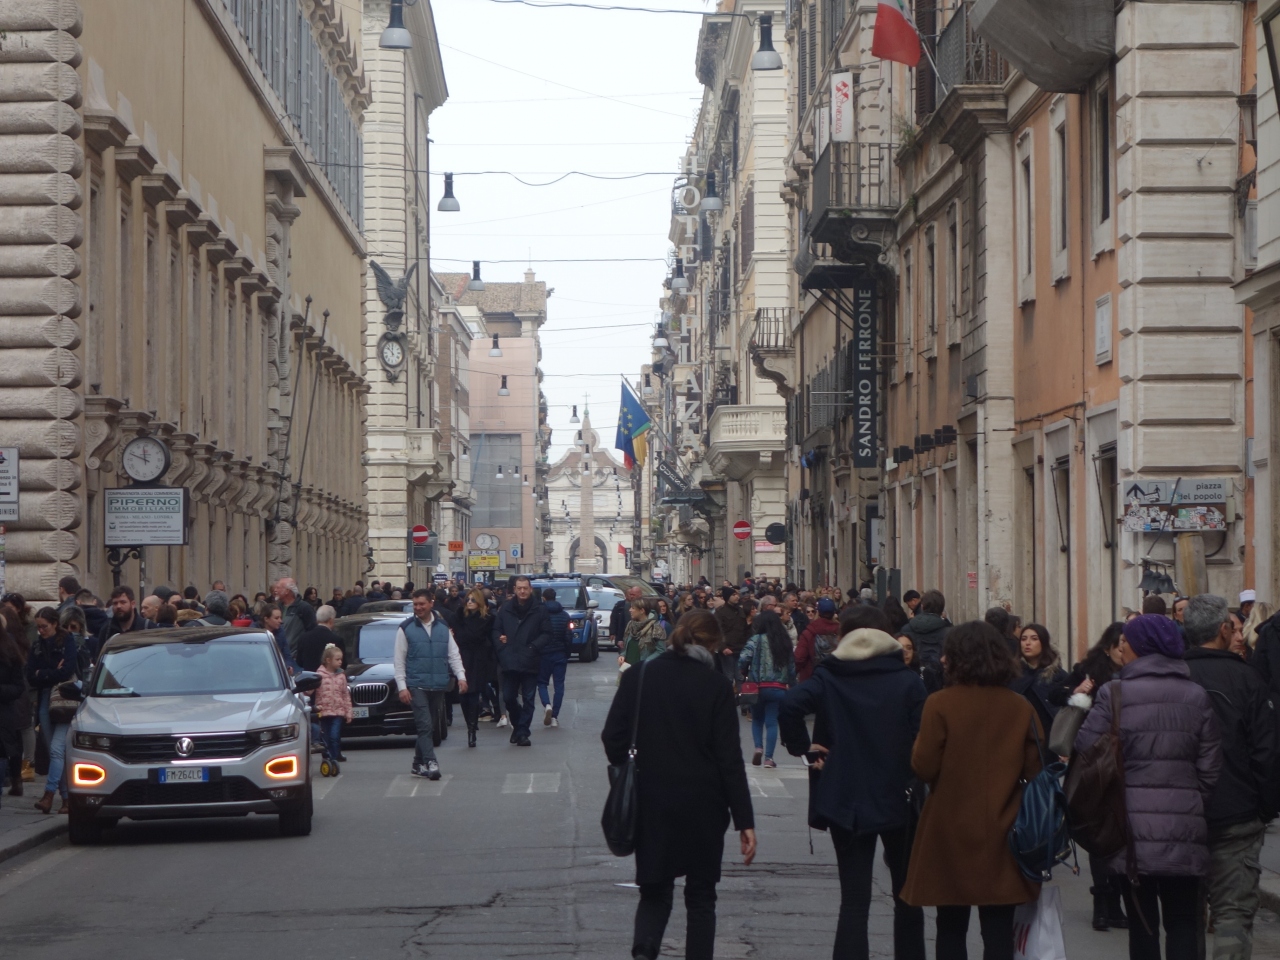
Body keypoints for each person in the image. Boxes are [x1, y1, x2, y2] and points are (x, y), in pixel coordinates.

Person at [602, 609, 755, 960]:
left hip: (652, 799)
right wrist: (744, 820)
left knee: (654, 891)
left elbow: (612, 736)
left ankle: (644, 951)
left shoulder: (640, 676)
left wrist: (632, 766)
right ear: (712, 645)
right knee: (701, 897)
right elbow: (729, 760)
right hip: (704, 803)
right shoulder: (716, 685)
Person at [1075, 614, 1222, 960]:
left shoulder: (1114, 693)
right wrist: (1190, 802)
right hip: (1184, 826)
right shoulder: (1196, 695)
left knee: (1142, 925)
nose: (1121, 648)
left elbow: (1084, 747)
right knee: (1183, 921)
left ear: (1141, 646)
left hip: (1130, 828)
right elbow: (1211, 765)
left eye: (1126, 642)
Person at [779, 617, 927, 960]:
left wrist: (804, 747)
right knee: (907, 896)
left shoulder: (830, 677)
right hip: (899, 795)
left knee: (855, 900)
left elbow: (790, 705)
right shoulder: (908, 681)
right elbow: (923, 737)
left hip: (847, 795)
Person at [900, 621, 1043, 960]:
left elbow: (924, 766)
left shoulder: (940, 704)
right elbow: (1035, 769)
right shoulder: (1020, 707)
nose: (943, 659)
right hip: (1005, 828)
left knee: (950, 926)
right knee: (998, 930)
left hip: (949, 828)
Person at [1182, 595, 1279, 960]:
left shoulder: (1172, 676)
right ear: (1223, 629)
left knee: (1183, 917)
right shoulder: (1246, 679)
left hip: (1180, 814)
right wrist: (1265, 807)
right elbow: (1266, 751)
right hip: (1236, 812)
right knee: (1233, 914)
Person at [394, 589, 467, 779]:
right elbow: (399, 660)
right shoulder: (405, 628)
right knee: (425, 725)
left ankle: (417, 764)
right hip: (416, 685)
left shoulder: (443, 627)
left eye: (422, 604)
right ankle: (431, 762)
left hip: (438, 685)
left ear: (431, 604)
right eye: (415, 604)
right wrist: (402, 687)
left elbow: (453, 654)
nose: (418, 608)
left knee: (429, 726)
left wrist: (461, 676)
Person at [26, 608, 79, 815]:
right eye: (38, 627)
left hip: (64, 700)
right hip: (45, 700)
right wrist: (52, 672)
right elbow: (31, 675)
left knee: (57, 750)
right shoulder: (37, 646)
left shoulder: (67, 641)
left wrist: (44, 673)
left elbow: (67, 671)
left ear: (55, 624)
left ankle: (49, 795)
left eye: (44, 627)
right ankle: (66, 799)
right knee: (54, 753)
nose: (41, 631)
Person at [491, 576, 551, 747]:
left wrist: (533, 647)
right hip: (509, 660)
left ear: (530, 589)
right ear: (514, 590)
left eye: (525, 588)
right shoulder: (506, 609)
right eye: (519, 588)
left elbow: (547, 633)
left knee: (529, 698)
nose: (522, 591)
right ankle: (518, 727)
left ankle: (523, 732)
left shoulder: (539, 609)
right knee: (508, 697)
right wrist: (501, 645)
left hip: (530, 660)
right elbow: (496, 630)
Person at [737, 610, 795, 769]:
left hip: (757, 687)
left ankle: (758, 748)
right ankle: (769, 758)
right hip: (778, 688)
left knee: (757, 719)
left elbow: (743, 658)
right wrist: (792, 684)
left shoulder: (755, 640)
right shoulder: (784, 642)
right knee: (772, 722)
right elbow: (791, 667)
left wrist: (743, 670)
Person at [454, 588, 497, 747]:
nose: (469, 602)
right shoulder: (459, 616)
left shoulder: (487, 619)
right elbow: (459, 637)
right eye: (468, 599)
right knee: (463, 696)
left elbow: (485, 639)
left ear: (479, 602)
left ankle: (471, 730)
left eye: (473, 599)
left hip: (479, 660)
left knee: (473, 694)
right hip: (462, 658)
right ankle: (470, 724)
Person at [1008, 622, 1067, 737]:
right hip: (1020, 735)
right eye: (1023, 639)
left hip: (1050, 736)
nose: (1027, 643)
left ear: (1043, 643)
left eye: (1034, 639)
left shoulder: (1058, 675)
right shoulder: (1012, 674)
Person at [538, 587, 569, 729]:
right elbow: (568, 636)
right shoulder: (564, 615)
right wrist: (567, 652)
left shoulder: (539, 614)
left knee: (542, 683)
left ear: (543, 598)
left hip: (543, 654)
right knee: (559, 685)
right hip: (560, 654)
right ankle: (555, 716)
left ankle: (547, 705)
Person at [900, 590, 949, 675]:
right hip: (939, 677)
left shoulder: (906, 629)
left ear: (922, 607)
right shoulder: (949, 633)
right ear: (942, 610)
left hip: (911, 675)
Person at [795, 597, 840, 682]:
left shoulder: (809, 632)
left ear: (818, 612)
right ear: (834, 613)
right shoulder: (842, 631)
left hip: (813, 679)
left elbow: (799, 658)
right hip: (837, 679)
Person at [96, 586, 154, 651]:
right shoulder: (106, 631)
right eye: (115, 603)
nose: (118, 606)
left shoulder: (148, 627)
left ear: (133, 604)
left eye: (123, 602)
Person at [274, 577, 316, 662]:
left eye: (278, 588)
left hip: (295, 658)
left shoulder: (304, 608)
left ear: (287, 591)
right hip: (277, 656)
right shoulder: (277, 607)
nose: (275, 590)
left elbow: (312, 632)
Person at [620, 598, 666, 666]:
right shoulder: (631, 625)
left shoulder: (656, 628)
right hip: (628, 668)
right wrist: (622, 655)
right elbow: (627, 647)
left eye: (633, 608)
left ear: (642, 611)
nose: (630, 610)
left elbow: (661, 651)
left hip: (644, 668)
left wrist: (646, 662)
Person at [295, 605, 338, 672]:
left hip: (308, 676)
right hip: (329, 677)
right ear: (331, 621)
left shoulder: (303, 638)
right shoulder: (336, 639)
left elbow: (299, 662)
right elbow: (342, 664)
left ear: (317, 620)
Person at [261, 604, 294, 672]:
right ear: (266, 619)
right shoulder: (254, 634)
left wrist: (288, 666)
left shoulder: (280, 632)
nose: (280, 621)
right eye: (276, 618)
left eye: (280, 618)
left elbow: (287, 655)